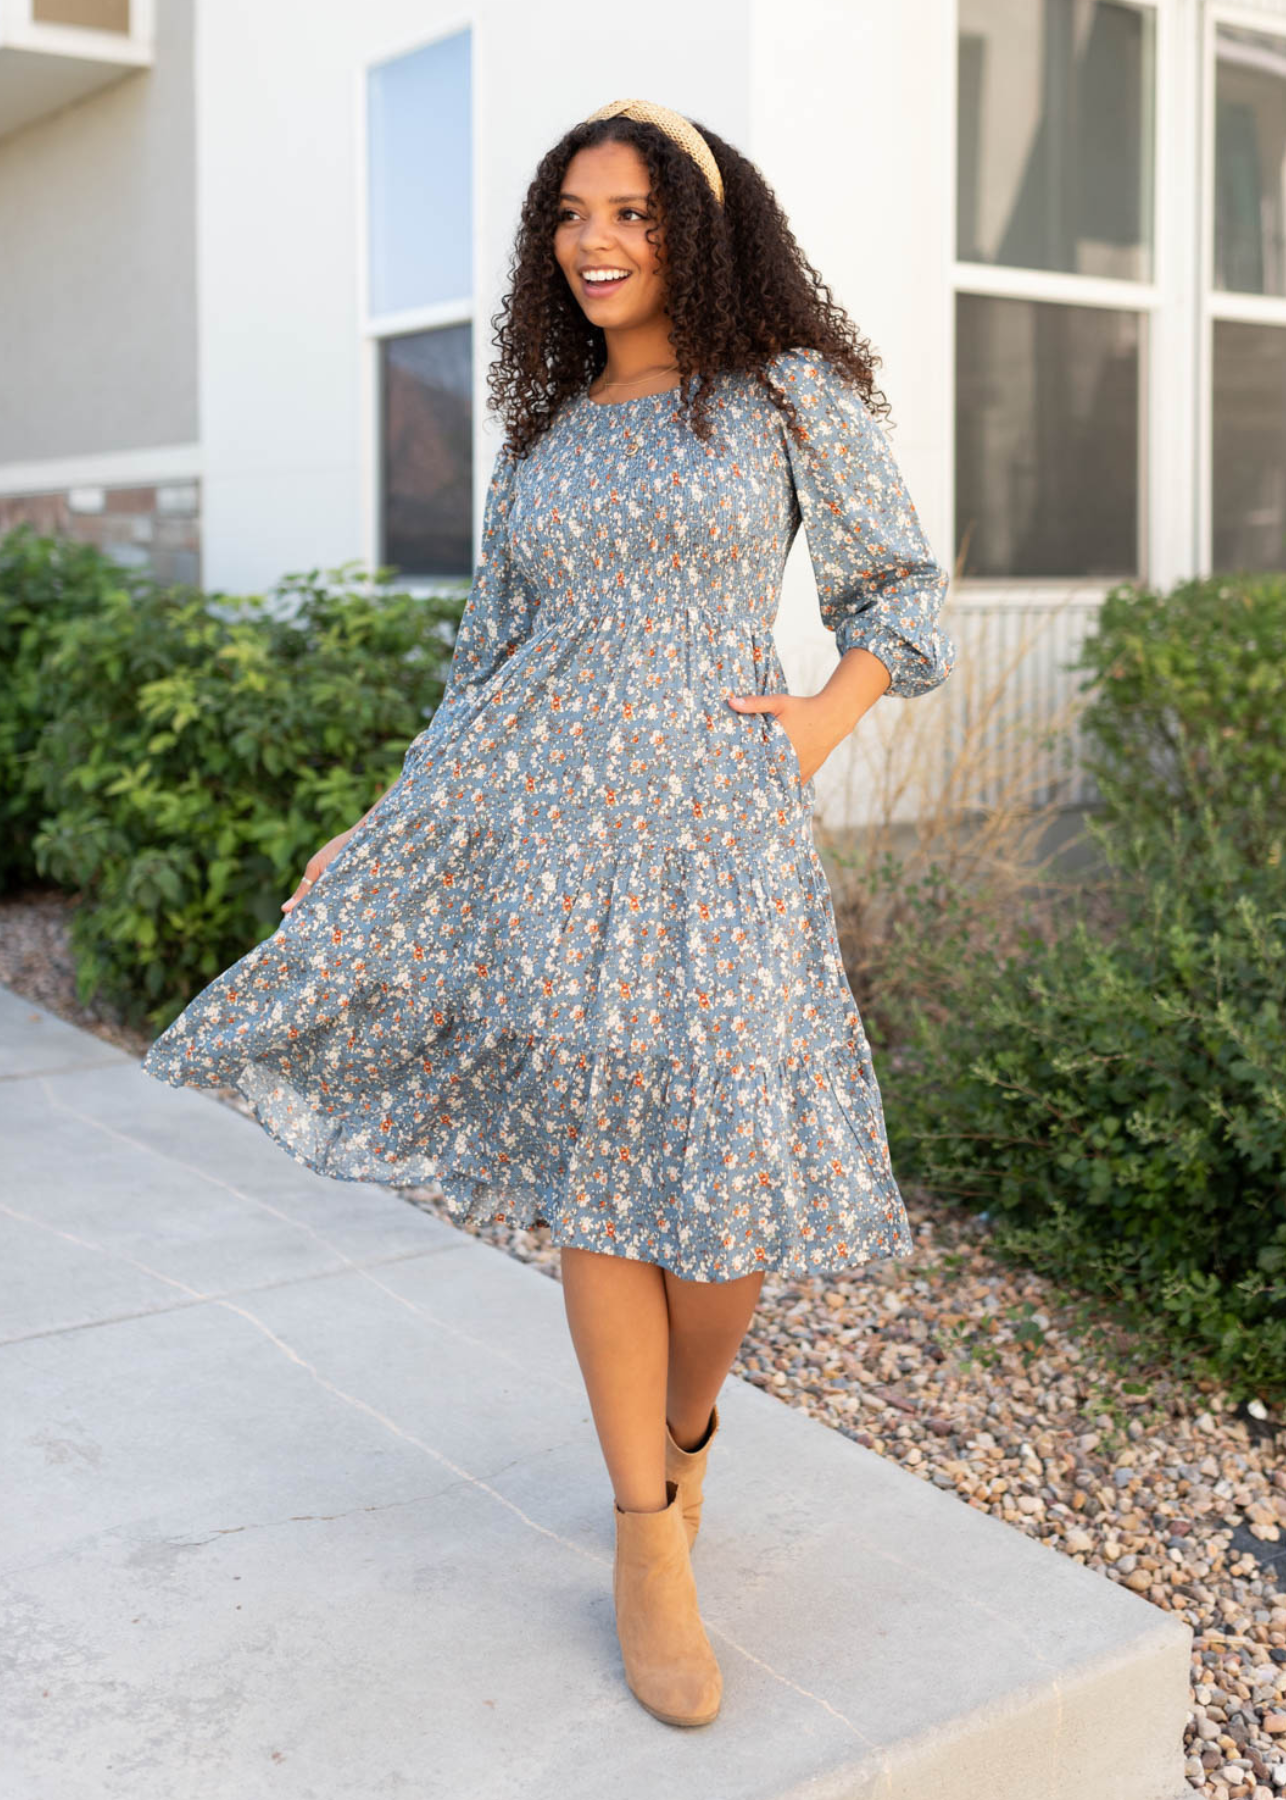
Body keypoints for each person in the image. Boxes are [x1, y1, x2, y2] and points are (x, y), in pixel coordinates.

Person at [141, 96, 957, 1730]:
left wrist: (821, 716)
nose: (595, 242)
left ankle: (691, 1430)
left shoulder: (784, 393)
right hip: (545, 826)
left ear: (699, 233)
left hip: (719, 832)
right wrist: (377, 830)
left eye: (633, 214)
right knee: (602, 1169)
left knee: (720, 1193)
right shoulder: (545, 438)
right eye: (573, 214)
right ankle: (643, 1535)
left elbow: (898, 590)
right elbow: (481, 676)